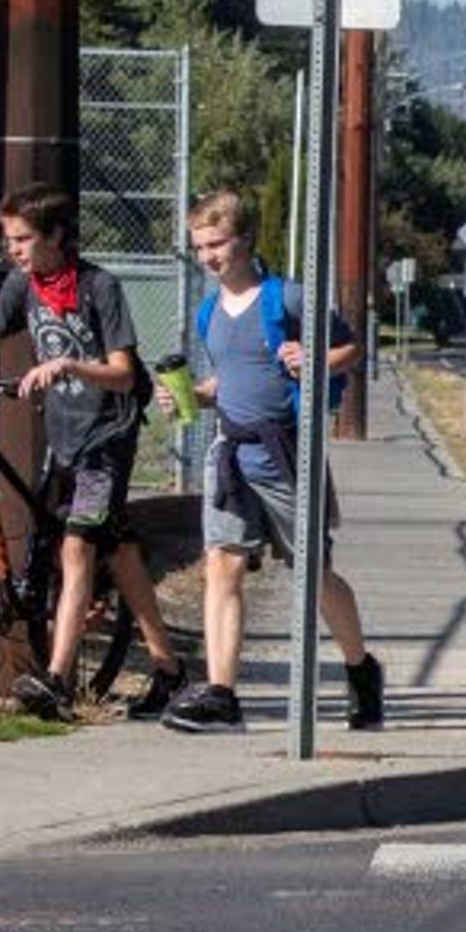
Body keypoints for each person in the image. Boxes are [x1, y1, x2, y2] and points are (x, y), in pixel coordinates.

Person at [0, 185, 188, 721]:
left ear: (56, 236)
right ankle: (168, 668)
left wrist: (68, 365)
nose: (15, 250)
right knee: (117, 553)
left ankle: (56, 681)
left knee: (76, 549)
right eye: (9, 240)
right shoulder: (21, 287)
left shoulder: (100, 287)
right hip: (65, 436)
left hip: (107, 437)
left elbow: (123, 373)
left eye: (24, 239)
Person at [163, 190, 386, 735]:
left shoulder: (286, 299)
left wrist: (315, 360)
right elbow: (234, 377)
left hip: (286, 456)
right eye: (199, 248)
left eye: (217, 244)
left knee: (313, 575)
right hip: (231, 455)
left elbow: (351, 351)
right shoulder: (209, 310)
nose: (209, 257)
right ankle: (221, 694)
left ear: (243, 240)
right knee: (223, 564)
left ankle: (361, 671)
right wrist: (198, 394)